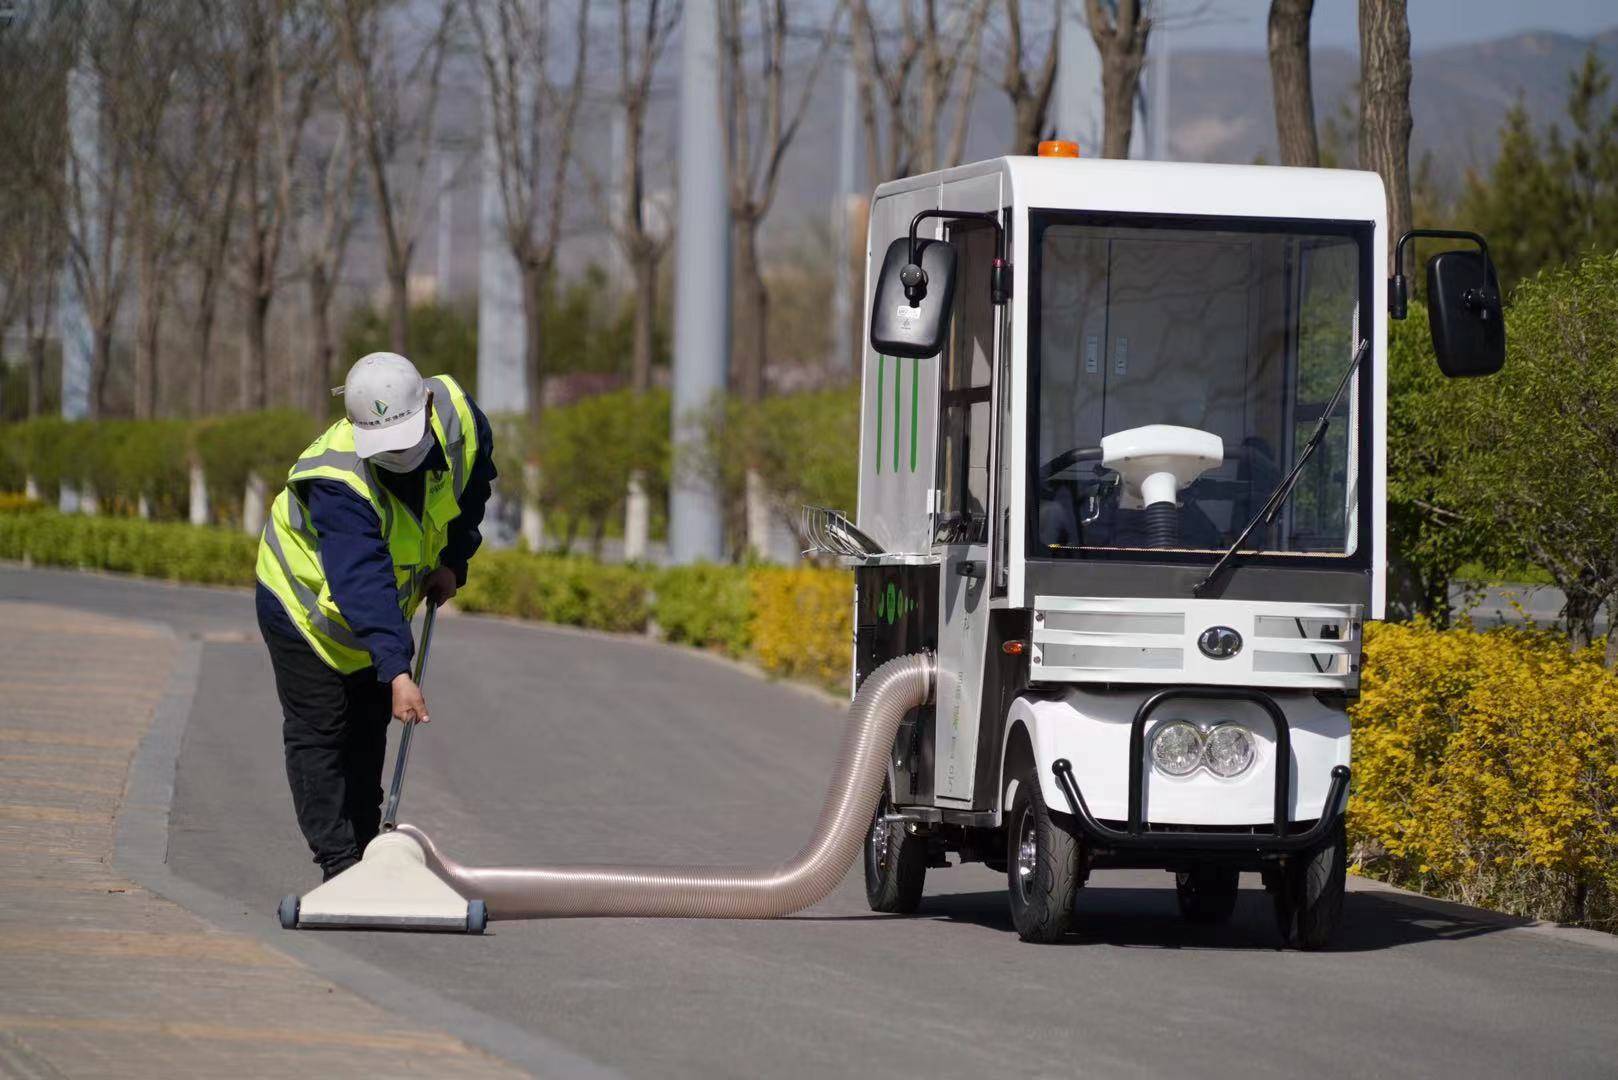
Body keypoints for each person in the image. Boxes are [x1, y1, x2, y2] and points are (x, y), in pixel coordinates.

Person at [255, 353, 497, 880]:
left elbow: (473, 486)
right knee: (321, 730)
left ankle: (367, 850)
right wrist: (398, 672)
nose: (396, 453)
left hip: (376, 613)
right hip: (302, 605)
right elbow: (360, 580)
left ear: (427, 405)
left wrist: (454, 560)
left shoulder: (459, 419)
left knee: (367, 729)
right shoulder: (336, 478)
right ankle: (339, 865)